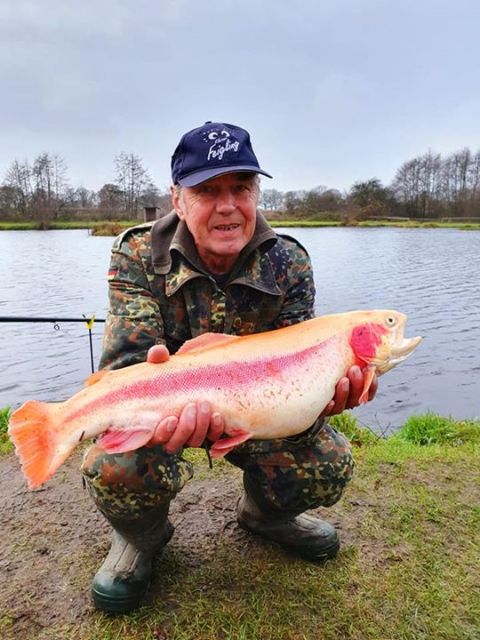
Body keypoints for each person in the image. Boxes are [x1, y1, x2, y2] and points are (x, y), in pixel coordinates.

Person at [81, 121, 377, 614]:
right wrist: (159, 388)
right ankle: (141, 538)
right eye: (207, 190)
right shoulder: (137, 253)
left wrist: (326, 398)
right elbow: (126, 365)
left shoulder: (289, 262)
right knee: (114, 466)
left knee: (326, 462)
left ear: (256, 193)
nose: (227, 206)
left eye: (241, 188)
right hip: (163, 410)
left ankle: (265, 516)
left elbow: (300, 377)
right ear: (178, 200)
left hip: (259, 411)